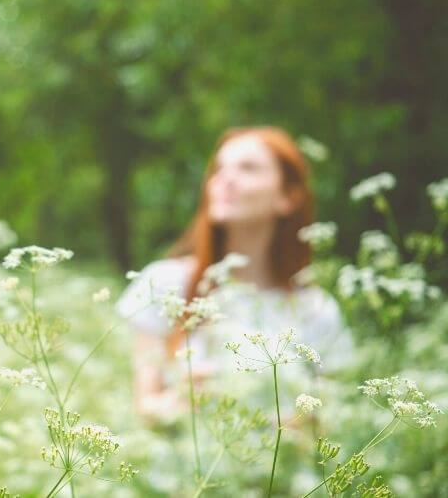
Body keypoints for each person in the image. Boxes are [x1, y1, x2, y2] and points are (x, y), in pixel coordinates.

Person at [115, 126, 353, 424]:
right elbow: (145, 410)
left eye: (248, 168)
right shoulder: (165, 284)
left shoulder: (316, 310)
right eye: (219, 169)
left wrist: (287, 427)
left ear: (288, 197)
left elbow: (327, 428)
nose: (225, 179)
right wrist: (180, 402)